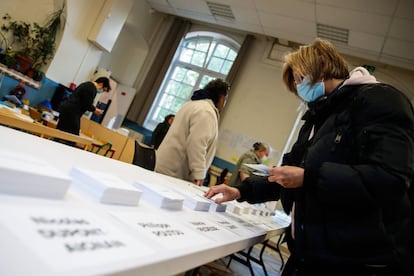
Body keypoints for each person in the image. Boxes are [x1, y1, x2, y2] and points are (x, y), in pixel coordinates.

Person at [205, 39, 414, 275]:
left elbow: (391, 178)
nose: (297, 87)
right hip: (310, 253)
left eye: (298, 78)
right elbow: (287, 174)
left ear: (321, 67)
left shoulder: (379, 101)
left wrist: (310, 178)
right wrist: (242, 191)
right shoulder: (318, 116)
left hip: (358, 262)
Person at [155, 78, 230, 186]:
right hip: (175, 172)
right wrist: (199, 174)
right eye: (226, 98)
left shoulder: (193, 104)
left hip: (167, 167)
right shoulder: (206, 111)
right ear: (221, 97)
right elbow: (197, 144)